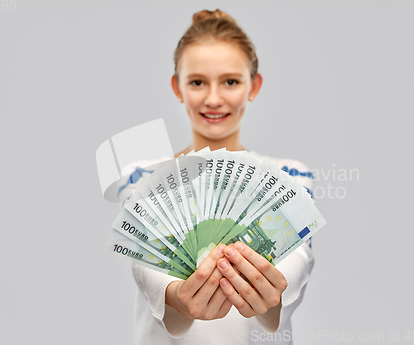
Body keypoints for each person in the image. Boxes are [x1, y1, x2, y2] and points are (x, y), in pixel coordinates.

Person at [122, 9, 315, 345]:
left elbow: (299, 256)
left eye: (230, 81)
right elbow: (144, 263)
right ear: (177, 87)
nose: (213, 99)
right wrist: (175, 295)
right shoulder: (143, 177)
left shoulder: (288, 176)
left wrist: (275, 286)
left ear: (253, 86)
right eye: (197, 82)